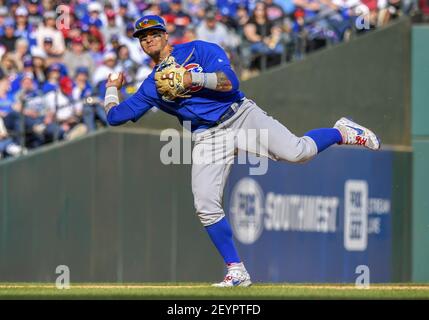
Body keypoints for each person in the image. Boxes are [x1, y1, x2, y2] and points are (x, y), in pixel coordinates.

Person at [102, 15, 380, 287]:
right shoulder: (152, 85)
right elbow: (114, 117)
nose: (148, 39)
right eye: (143, 37)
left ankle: (341, 132)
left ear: (165, 35)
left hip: (240, 116)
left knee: (299, 152)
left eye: (153, 33)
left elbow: (230, 82)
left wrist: (191, 79)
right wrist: (112, 88)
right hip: (207, 136)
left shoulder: (199, 49)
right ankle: (236, 271)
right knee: (205, 205)